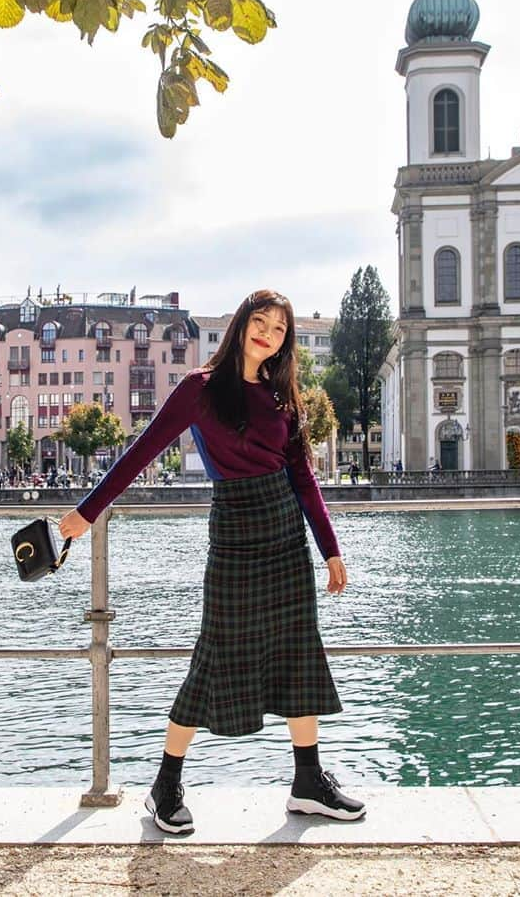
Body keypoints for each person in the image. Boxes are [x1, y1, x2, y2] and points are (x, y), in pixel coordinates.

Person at [59, 290, 364, 836]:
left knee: (298, 650)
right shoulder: (200, 388)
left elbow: (304, 478)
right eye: (259, 321)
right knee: (214, 656)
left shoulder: (281, 396)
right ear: (242, 325)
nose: (267, 332)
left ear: (284, 341)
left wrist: (331, 548)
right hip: (236, 530)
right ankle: (165, 785)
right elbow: (142, 450)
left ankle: (307, 782)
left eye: (278, 328)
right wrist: (88, 512)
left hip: (286, 533)